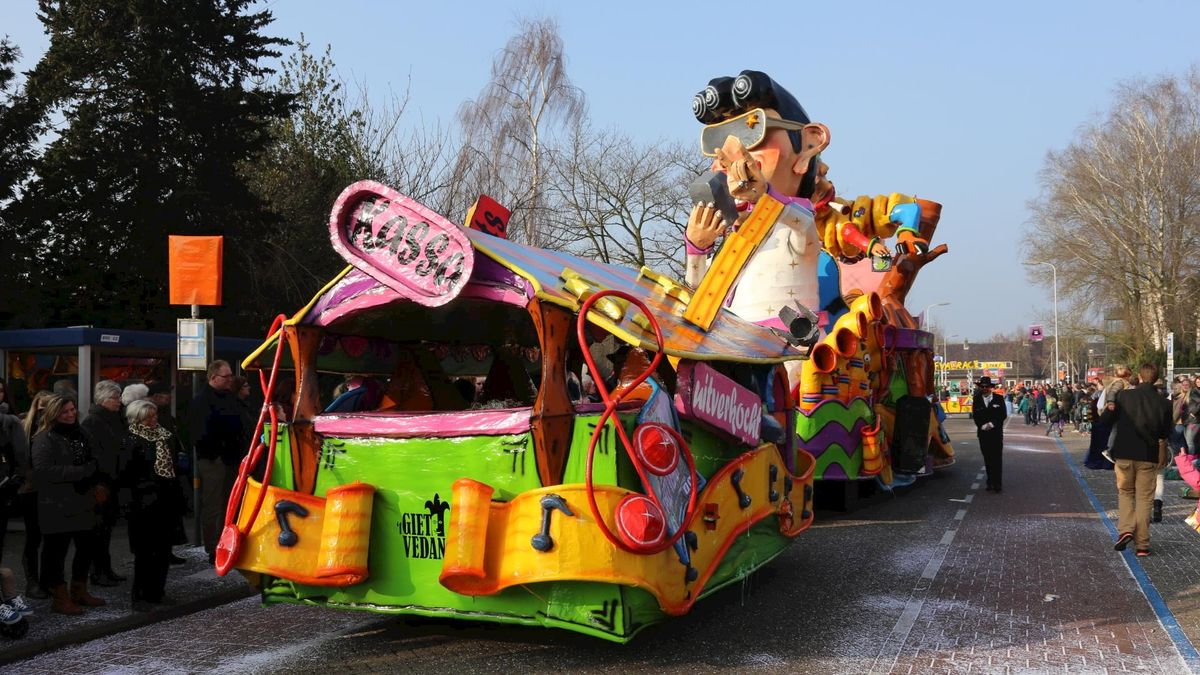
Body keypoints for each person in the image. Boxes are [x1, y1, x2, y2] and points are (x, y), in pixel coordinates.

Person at [31, 394, 107, 614]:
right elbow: (43, 470)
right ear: (55, 413)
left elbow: (96, 458)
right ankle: (59, 595)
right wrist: (82, 472)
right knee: (56, 552)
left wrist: (96, 479)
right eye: (65, 411)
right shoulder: (45, 438)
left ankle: (79, 589)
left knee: (86, 547)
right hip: (56, 503)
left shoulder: (82, 433)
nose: (71, 414)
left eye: (73, 410)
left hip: (83, 500)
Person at [1103, 363, 1172, 557]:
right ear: (1156, 379)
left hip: (1124, 452)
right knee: (1144, 499)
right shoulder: (1164, 403)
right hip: (1148, 455)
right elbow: (1166, 432)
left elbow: (1106, 420)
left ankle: (1125, 529)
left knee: (1125, 493)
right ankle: (1142, 545)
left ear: (1140, 377)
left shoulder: (1124, 396)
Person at [121, 400, 181, 610]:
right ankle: (140, 596)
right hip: (143, 503)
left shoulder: (164, 436)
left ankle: (157, 592)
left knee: (163, 550)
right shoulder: (131, 440)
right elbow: (126, 475)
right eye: (149, 417)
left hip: (165, 500)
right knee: (145, 552)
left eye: (155, 416)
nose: (154, 420)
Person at [187, 360, 246, 562]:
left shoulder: (228, 397)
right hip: (214, 459)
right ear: (213, 378)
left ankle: (226, 542)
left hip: (229, 457)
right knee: (214, 504)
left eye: (231, 375)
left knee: (228, 503)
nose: (231, 379)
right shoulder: (202, 401)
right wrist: (216, 454)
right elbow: (198, 433)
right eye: (226, 376)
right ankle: (213, 546)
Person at [80, 380, 127, 587]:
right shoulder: (93, 422)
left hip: (112, 481)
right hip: (102, 483)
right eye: (115, 398)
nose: (119, 402)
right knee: (99, 530)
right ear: (104, 400)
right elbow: (97, 454)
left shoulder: (112, 419)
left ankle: (105, 569)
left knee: (106, 529)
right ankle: (98, 572)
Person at [16, 391, 51, 598]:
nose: (44, 412)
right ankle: (32, 581)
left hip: (51, 488)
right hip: (30, 489)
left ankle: (46, 581)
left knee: (51, 537)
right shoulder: (24, 426)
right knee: (34, 537)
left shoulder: (57, 428)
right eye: (41, 407)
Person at [972, 376, 1008, 492]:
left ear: (991, 388)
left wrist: (992, 424)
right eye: (982, 387)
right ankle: (990, 481)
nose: (985, 389)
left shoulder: (998, 398)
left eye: (987, 387)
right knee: (987, 458)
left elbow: (1003, 414)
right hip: (983, 434)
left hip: (996, 433)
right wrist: (981, 425)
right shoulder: (976, 399)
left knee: (996, 458)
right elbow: (975, 415)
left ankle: (997, 483)